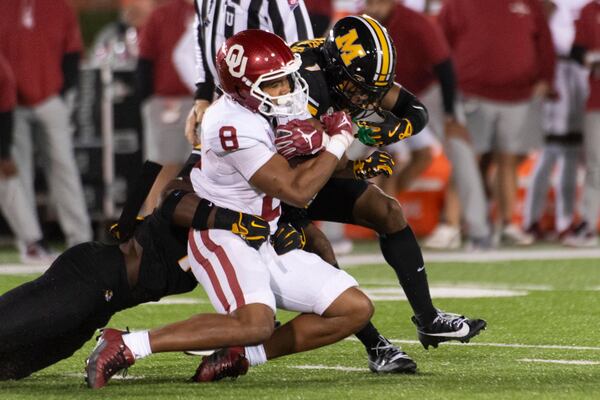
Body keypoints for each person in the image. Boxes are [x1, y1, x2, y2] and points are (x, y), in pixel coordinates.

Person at [85, 30, 374, 389]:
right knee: (255, 322)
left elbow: (326, 161)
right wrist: (337, 139)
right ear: (243, 88)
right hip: (224, 235)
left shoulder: (270, 103)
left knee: (354, 309)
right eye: (274, 83)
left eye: (286, 78)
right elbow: (297, 191)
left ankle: (241, 355)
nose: (286, 89)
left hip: (263, 235)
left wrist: (329, 145)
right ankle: (127, 344)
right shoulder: (230, 123)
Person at [286, 14, 487, 359]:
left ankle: (428, 318)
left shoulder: (351, 71)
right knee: (319, 247)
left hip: (309, 171)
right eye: (359, 88)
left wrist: (391, 132)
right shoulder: (303, 86)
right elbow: (302, 169)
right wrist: (361, 167)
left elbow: (416, 110)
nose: (366, 99)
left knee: (388, 210)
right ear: (336, 68)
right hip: (276, 185)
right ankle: (377, 346)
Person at [0, 158, 274, 381]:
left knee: (12, 368)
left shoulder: (242, 240)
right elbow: (172, 199)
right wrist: (232, 220)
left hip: (102, 306)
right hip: (90, 278)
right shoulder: (210, 197)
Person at [365, 0, 491, 250]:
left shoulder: (416, 23)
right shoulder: (361, 24)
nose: (374, 7)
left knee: (461, 150)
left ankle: (479, 230)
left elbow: (444, 66)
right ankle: (329, 232)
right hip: (380, 93)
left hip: (426, 89)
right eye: (369, 2)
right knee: (343, 147)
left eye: (378, 2)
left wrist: (451, 114)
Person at [438, 0, 556, 246]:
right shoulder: (457, 4)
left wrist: (546, 77)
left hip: (519, 96)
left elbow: (544, 41)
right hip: (472, 92)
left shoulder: (528, 3)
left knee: (509, 160)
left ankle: (508, 223)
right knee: (467, 158)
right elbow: (440, 45)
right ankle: (451, 224)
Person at [0, 0, 92, 248]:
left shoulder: (59, 7)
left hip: (50, 98)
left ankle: (80, 240)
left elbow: (73, 52)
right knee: (18, 172)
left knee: (64, 167)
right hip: (12, 102)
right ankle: (31, 243)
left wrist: (62, 96)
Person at [185, 0, 314, 146]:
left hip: (270, 111)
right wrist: (203, 96)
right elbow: (202, 32)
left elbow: (301, 56)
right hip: (224, 103)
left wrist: (295, 117)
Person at [522, 0, 588, 242]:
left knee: (571, 149)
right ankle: (532, 219)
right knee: (552, 149)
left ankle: (564, 220)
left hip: (583, 72)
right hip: (557, 68)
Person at [136, 0, 196, 212]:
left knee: (198, 170)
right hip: (167, 101)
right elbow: (144, 59)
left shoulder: (215, 9)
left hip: (204, 102)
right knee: (162, 166)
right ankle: (148, 224)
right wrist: (150, 100)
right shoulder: (162, 14)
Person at [0, 53, 54, 263]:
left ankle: (33, 243)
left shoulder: (3, 72)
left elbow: (4, 110)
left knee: (7, 184)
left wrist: (3, 154)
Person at [564, 0, 600, 247]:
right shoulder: (590, 10)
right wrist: (592, 60)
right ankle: (588, 222)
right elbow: (576, 51)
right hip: (597, 100)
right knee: (596, 165)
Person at [89, 0, 156, 70]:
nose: (132, 4)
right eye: (126, 1)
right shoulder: (110, 35)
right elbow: (96, 65)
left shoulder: (159, 36)